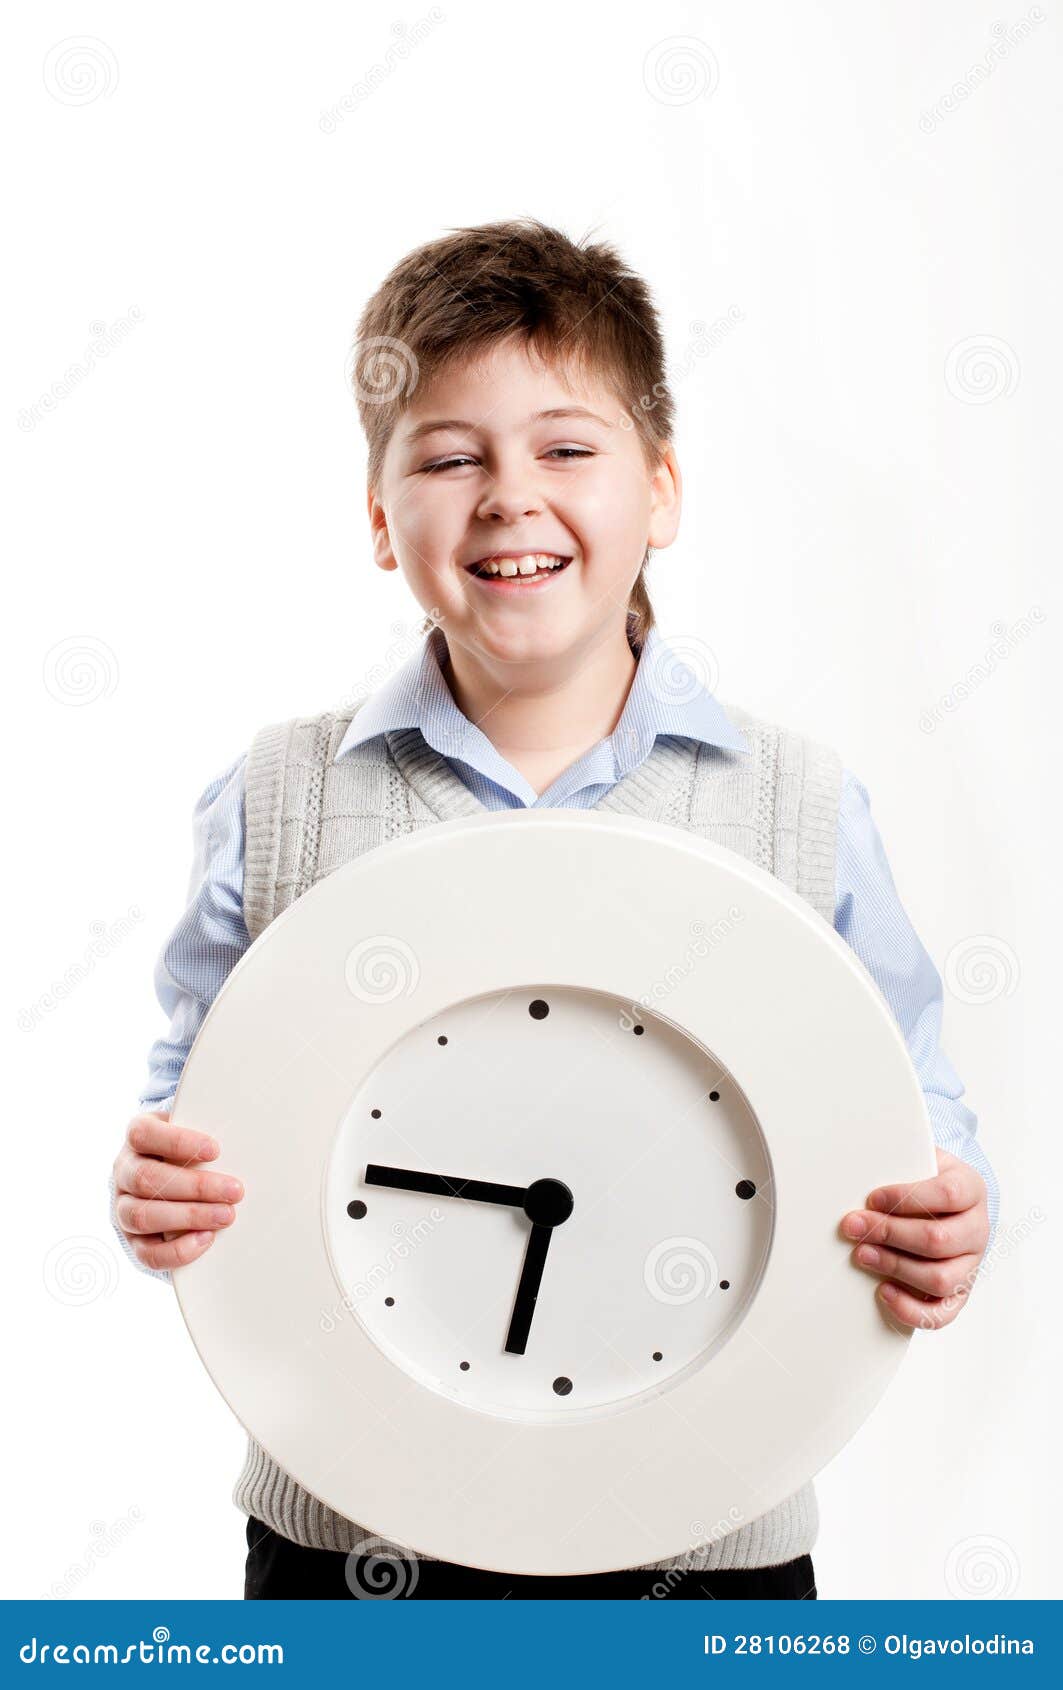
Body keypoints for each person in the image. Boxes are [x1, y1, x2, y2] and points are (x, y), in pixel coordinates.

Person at [110, 217, 997, 1600]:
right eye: (449, 455)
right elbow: (202, 1099)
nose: (508, 496)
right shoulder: (277, 796)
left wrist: (946, 1206)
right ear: (377, 514)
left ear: (662, 490)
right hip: (352, 1545)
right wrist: (161, 1186)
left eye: (567, 449)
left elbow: (912, 1102)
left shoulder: (798, 804)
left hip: (707, 1556)